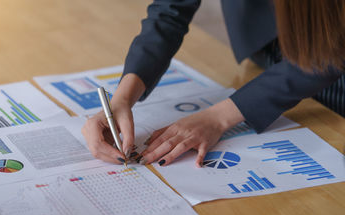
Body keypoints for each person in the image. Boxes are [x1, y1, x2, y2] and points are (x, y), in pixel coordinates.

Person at [82, 0, 345, 167]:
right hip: (266, 48)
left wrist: (217, 117)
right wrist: (122, 97)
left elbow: (331, 50)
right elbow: (170, 11)